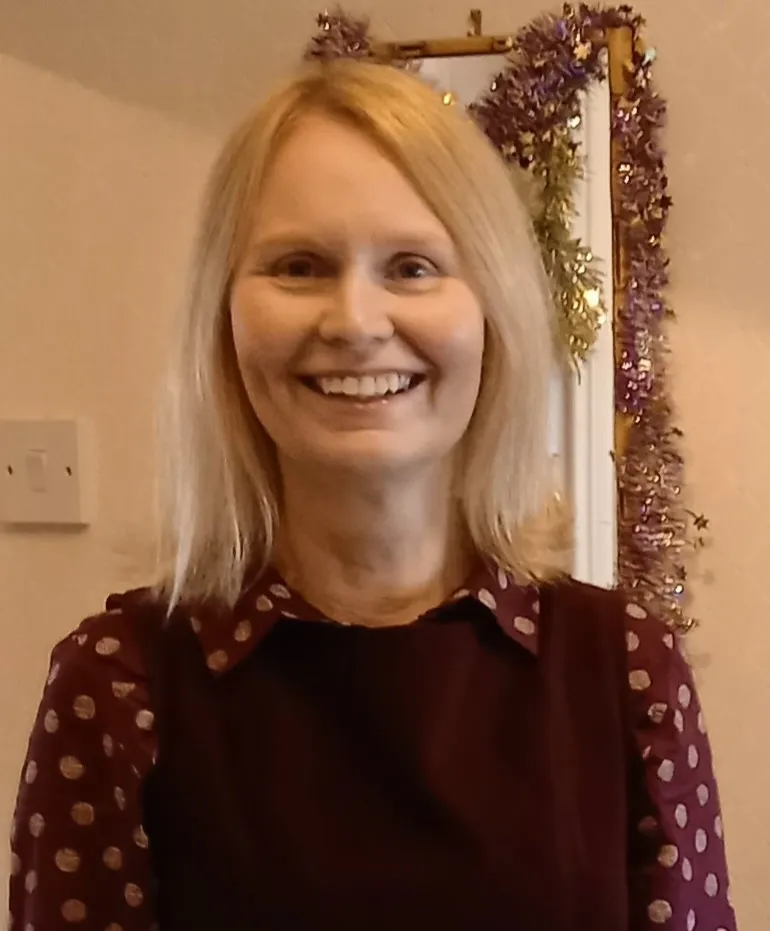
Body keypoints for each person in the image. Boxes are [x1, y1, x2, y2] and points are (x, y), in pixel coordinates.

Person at [8, 60, 736, 931]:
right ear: (222, 316)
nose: (355, 321)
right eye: (299, 266)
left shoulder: (628, 671)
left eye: (413, 267)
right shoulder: (118, 683)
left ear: (493, 310)